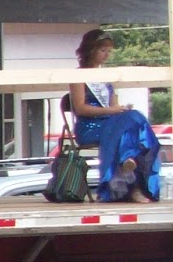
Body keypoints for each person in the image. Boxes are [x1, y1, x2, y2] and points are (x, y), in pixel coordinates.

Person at [69, 28, 161, 204]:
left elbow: (113, 105)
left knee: (133, 116)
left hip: (111, 124)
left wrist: (120, 109)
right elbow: (80, 108)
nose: (107, 55)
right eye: (103, 50)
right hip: (90, 127)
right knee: (129, 127)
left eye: (109, 51)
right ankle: (133, 183)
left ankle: (128, 159)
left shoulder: (106, 76)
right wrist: (112, 111)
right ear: (90, 50)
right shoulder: (78, 75)